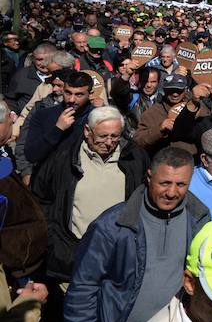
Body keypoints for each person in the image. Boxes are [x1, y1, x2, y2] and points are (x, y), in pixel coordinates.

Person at [64, 147, 210, 322]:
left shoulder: (199, 219)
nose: (171, 192)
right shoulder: (113, 225)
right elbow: (82, 291)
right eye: (165, 183)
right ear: (149, 177)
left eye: (181, 185)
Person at [30, 107, 147, 282]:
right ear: (87, 131)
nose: (109, 142)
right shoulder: (63, 158)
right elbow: (40, 200)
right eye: (102, 136)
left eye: (115, 136)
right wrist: (55, 243)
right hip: (72, 257)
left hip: (118, 258)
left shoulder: (135, 158)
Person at [24, 70, 94, 168]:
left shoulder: (99, 119)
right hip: (48, 178)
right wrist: (57, 129)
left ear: (90, 94)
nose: (71, 100)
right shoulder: (43, 115)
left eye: (79, 95)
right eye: (68, 93)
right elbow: (31, 155)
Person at [5, 42, 54, 113]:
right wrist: (13, 113)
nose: (43, 63)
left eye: (48, 59)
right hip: (25, 120)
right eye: (39, 60)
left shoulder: (61, 76)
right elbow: (10, 98)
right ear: (34, 60)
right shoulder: (22, 75)